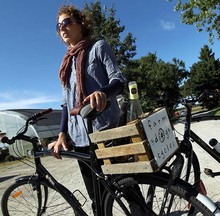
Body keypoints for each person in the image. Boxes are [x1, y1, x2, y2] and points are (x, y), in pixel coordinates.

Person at [48, 4, 126, 213]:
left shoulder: (98, 47)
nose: (62, 28)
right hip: (80, 138)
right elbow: (65, 104)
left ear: (81, 24)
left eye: (67, 22)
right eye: (58, 26)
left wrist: (104, 92)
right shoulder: (65, 66)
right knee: (96, 196)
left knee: (126, 186)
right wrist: (62, 134)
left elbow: (119, 80)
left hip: (105, 131)